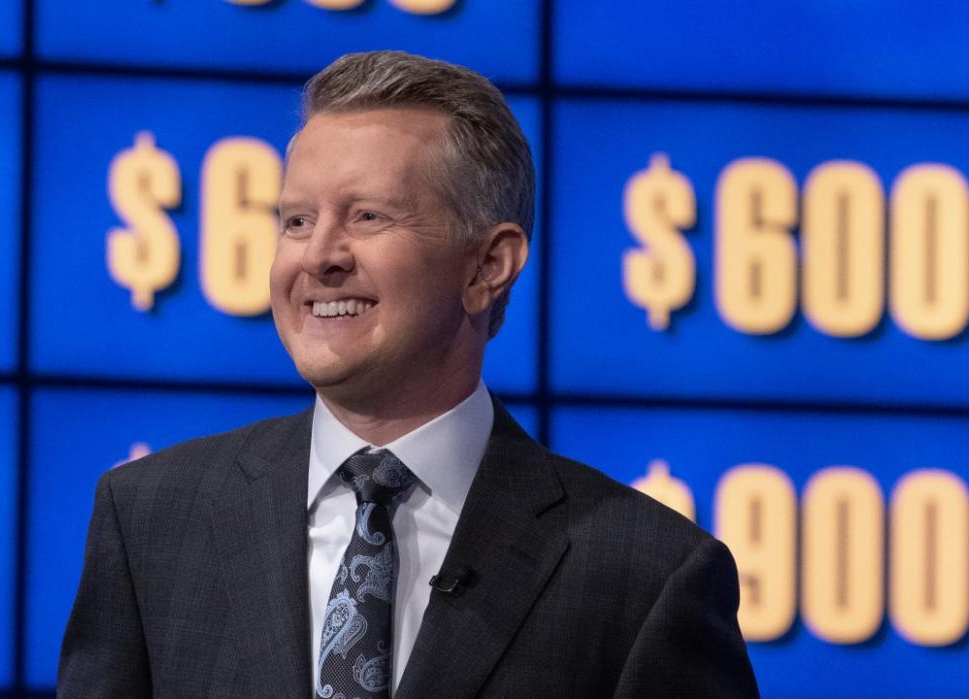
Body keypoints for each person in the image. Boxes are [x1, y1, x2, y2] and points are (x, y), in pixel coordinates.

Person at [58, 50, 759, 698]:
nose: (319, 256)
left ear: (489, 265)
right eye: (297, 220)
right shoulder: (152, 519)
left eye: (367, 216)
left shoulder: (645, 574)